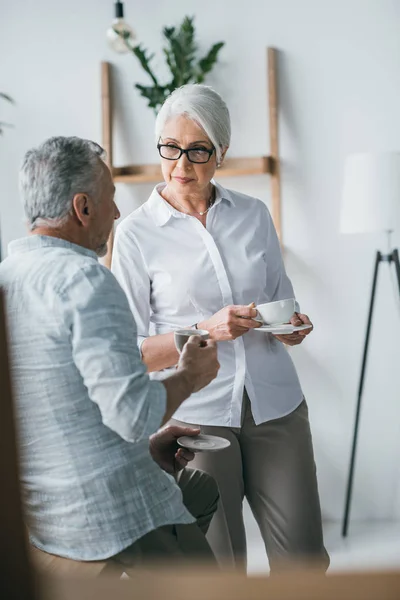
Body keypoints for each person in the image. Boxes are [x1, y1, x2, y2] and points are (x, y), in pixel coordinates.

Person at [112, 84, 330, 572]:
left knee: (306, 563)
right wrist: (203, 331)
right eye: (170, 148)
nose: (181, 166)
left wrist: (292, 326)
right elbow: (128, 353)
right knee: (219, 569)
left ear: (223, 153)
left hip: (276, 405)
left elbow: (281, 302)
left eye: (198, 151)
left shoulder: (253, 215)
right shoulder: (134, 234)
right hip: (196, 417)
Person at [0, 136, 221, 571]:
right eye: (111, 200)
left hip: (40, 523)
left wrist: (148, 447)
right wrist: (191, 374)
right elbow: (134, 415)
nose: (118, 214)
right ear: (83, 208)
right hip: (114, 516)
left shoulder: (7, 278)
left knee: (199, 489)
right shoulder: (86, 279)